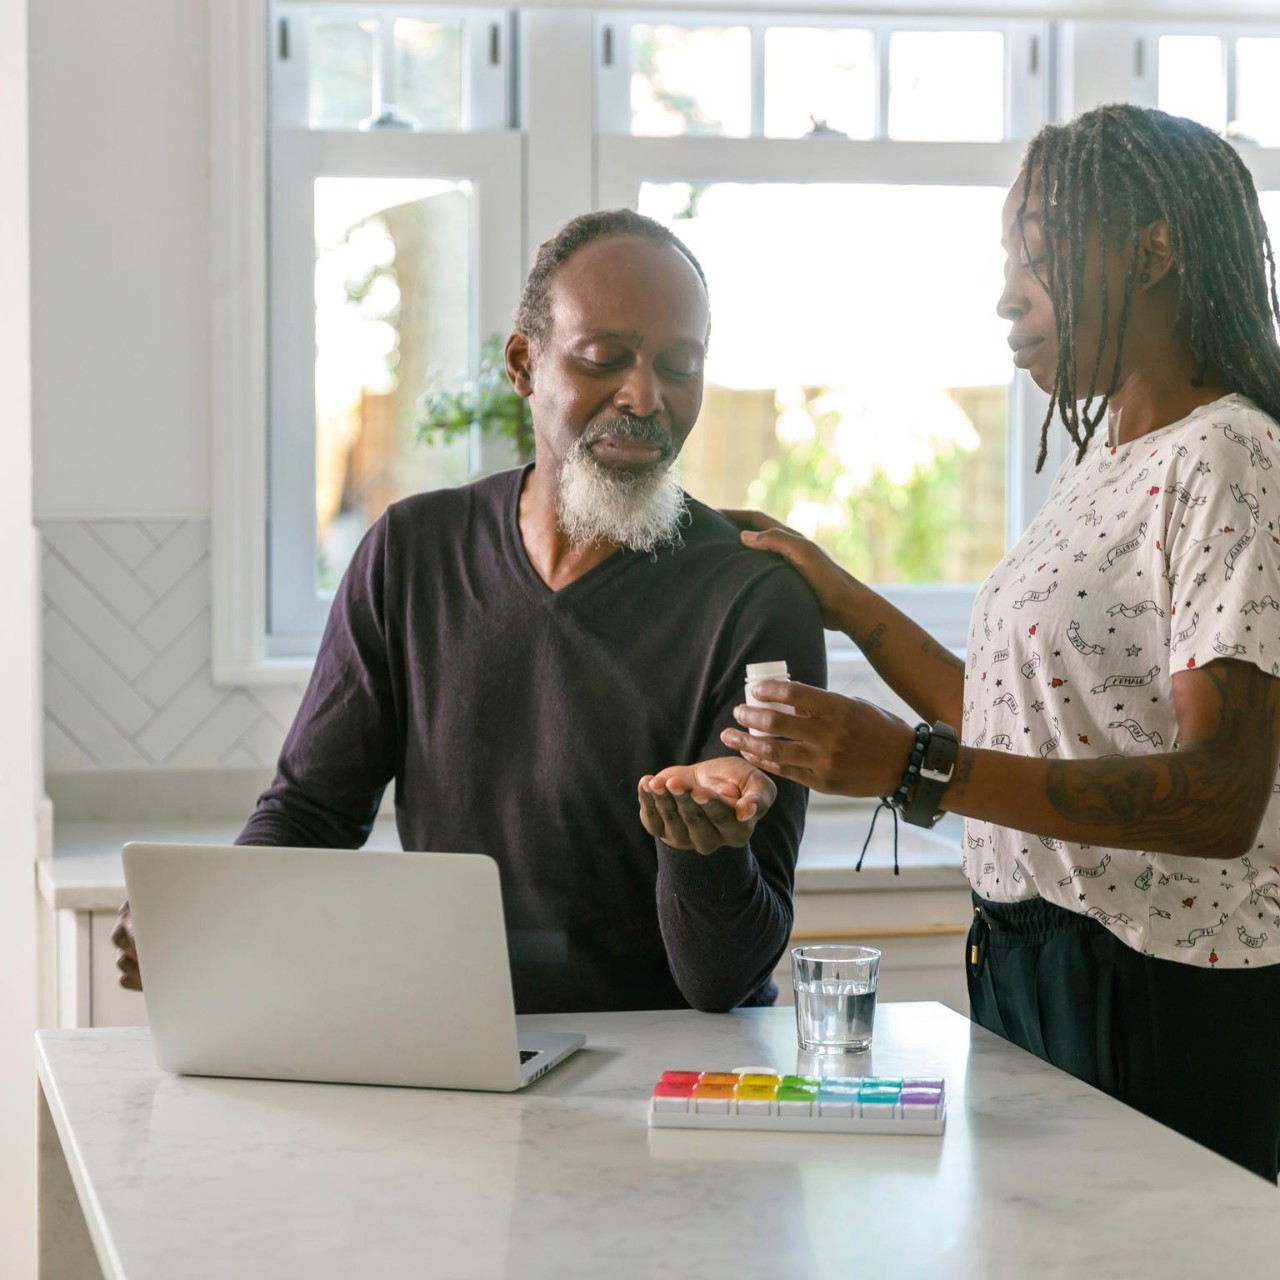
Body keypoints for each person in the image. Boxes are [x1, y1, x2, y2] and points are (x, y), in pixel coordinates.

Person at [699, 105, 1280, 1179]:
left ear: (1152, 249)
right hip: (1028, 957)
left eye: (1037, 253)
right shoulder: (1106, 459)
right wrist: (845, 597)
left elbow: (1219, 794)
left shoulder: (1228, 455)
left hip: (1156, 989)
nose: (1007, 292)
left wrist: (914, 768)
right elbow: (1026, 716)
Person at [113, 209, 826, 1015]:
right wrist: (213, 913)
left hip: (680, 1074)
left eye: (679, 364)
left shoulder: (754, 598)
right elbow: (314, 811)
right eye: (604, 359)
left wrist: (704, 850)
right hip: (466, 1046)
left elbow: (722, 980)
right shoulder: (410, 553)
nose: (645, 395)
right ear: (523, 365)